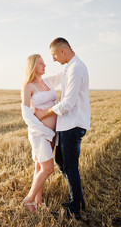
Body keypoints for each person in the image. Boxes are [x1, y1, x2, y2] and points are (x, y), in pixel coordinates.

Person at [35, 37, 90, 219]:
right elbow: (52, 81)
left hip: (72, 125)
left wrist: (45, 113)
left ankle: (74, 210)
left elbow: (67, 104)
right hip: (67, 125)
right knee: (61, 161)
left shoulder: (76, 68)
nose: (53, 60)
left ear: (62, 51)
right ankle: (77, 199)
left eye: (54, 55)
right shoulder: (69, 68)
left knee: (70, 166)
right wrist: (32, 83)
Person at [21, 54, 65, 213]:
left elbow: (63, 75)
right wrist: (44, 130)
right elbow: (26, 114)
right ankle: (28, 199)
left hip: (52, 133)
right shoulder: (29, 86)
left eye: (44, 63)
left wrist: (71, 62)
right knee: (48, 168)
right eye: (41, 63)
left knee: (39, 167)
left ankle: (38, 203)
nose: (45, 65)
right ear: (33, 66)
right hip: (40, 134)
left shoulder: (47, 81)